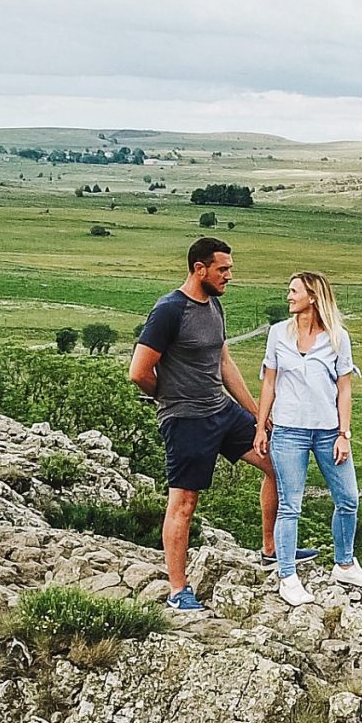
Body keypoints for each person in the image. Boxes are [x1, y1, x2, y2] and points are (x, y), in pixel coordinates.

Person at [128, 238, 275, 610]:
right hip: (187, 420)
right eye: (222, 269)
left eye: (229, 269)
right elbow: (138, 372)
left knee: (278, 464)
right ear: (199, 269)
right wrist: (170, 396)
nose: (229, 276)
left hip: (222, 412)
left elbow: (224, 363)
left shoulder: (214, 306)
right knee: (184, 502)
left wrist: (257, 414)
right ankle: (178, 591)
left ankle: (271, 551)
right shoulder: (169, 310)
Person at [253, 270, 362, 602]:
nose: (288, 296)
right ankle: (287, 576)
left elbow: (344, 390)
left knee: (348, 499)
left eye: (294, 291)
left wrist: (344, 434)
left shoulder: (338, 338)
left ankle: (345, 563)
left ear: (313, 297)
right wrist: (260, 426)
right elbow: (268, 383)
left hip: (327, 431)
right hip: (288, 431)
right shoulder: (278, 333)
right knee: (290, 505)